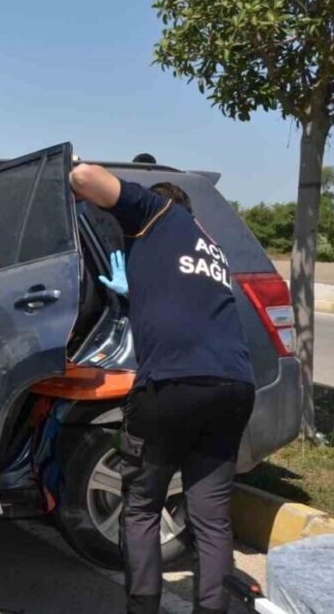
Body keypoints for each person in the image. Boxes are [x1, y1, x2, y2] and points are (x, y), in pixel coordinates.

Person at [69, 164, 255, 614]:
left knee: (141, 506)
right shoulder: (209, 246)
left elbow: (87, 177)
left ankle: (142, 608)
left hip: (172, 385)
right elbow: (179, 301)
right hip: (234, 387)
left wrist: (71, 181)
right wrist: (134, 291)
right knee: (211, 516)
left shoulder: (156, 211)